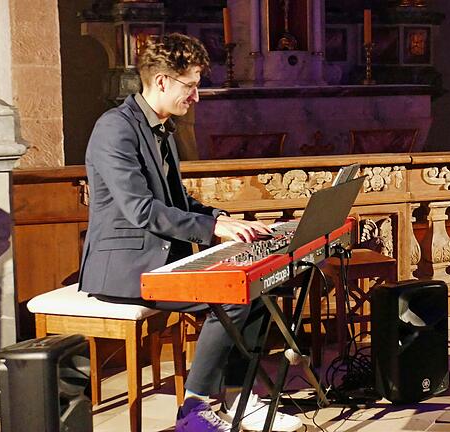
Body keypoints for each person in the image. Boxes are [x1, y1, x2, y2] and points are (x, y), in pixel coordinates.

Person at [78, 33, 303, 432]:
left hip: (161, 258)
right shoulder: (115, 129)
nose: (196, 97)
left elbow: (178, 201)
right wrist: (213, 228)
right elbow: (140, 209)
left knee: (256, 286)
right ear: (162, 81)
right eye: (191, 86)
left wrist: (227, 220)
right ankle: (195, 411)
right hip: (127, 265)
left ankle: (236, 398)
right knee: (231, 297)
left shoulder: (161, 129)